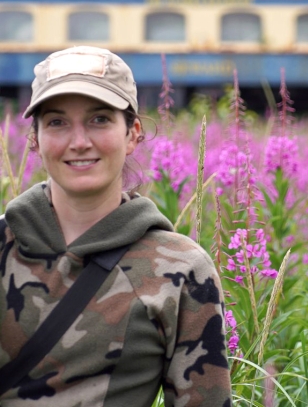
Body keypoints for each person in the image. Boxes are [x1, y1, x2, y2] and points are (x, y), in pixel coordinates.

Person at [0, 46, 232, 406]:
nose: (79, 142)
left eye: (99, 120)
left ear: (133, 133)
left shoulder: (180, 268)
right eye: (57, 122)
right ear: (34, 139)